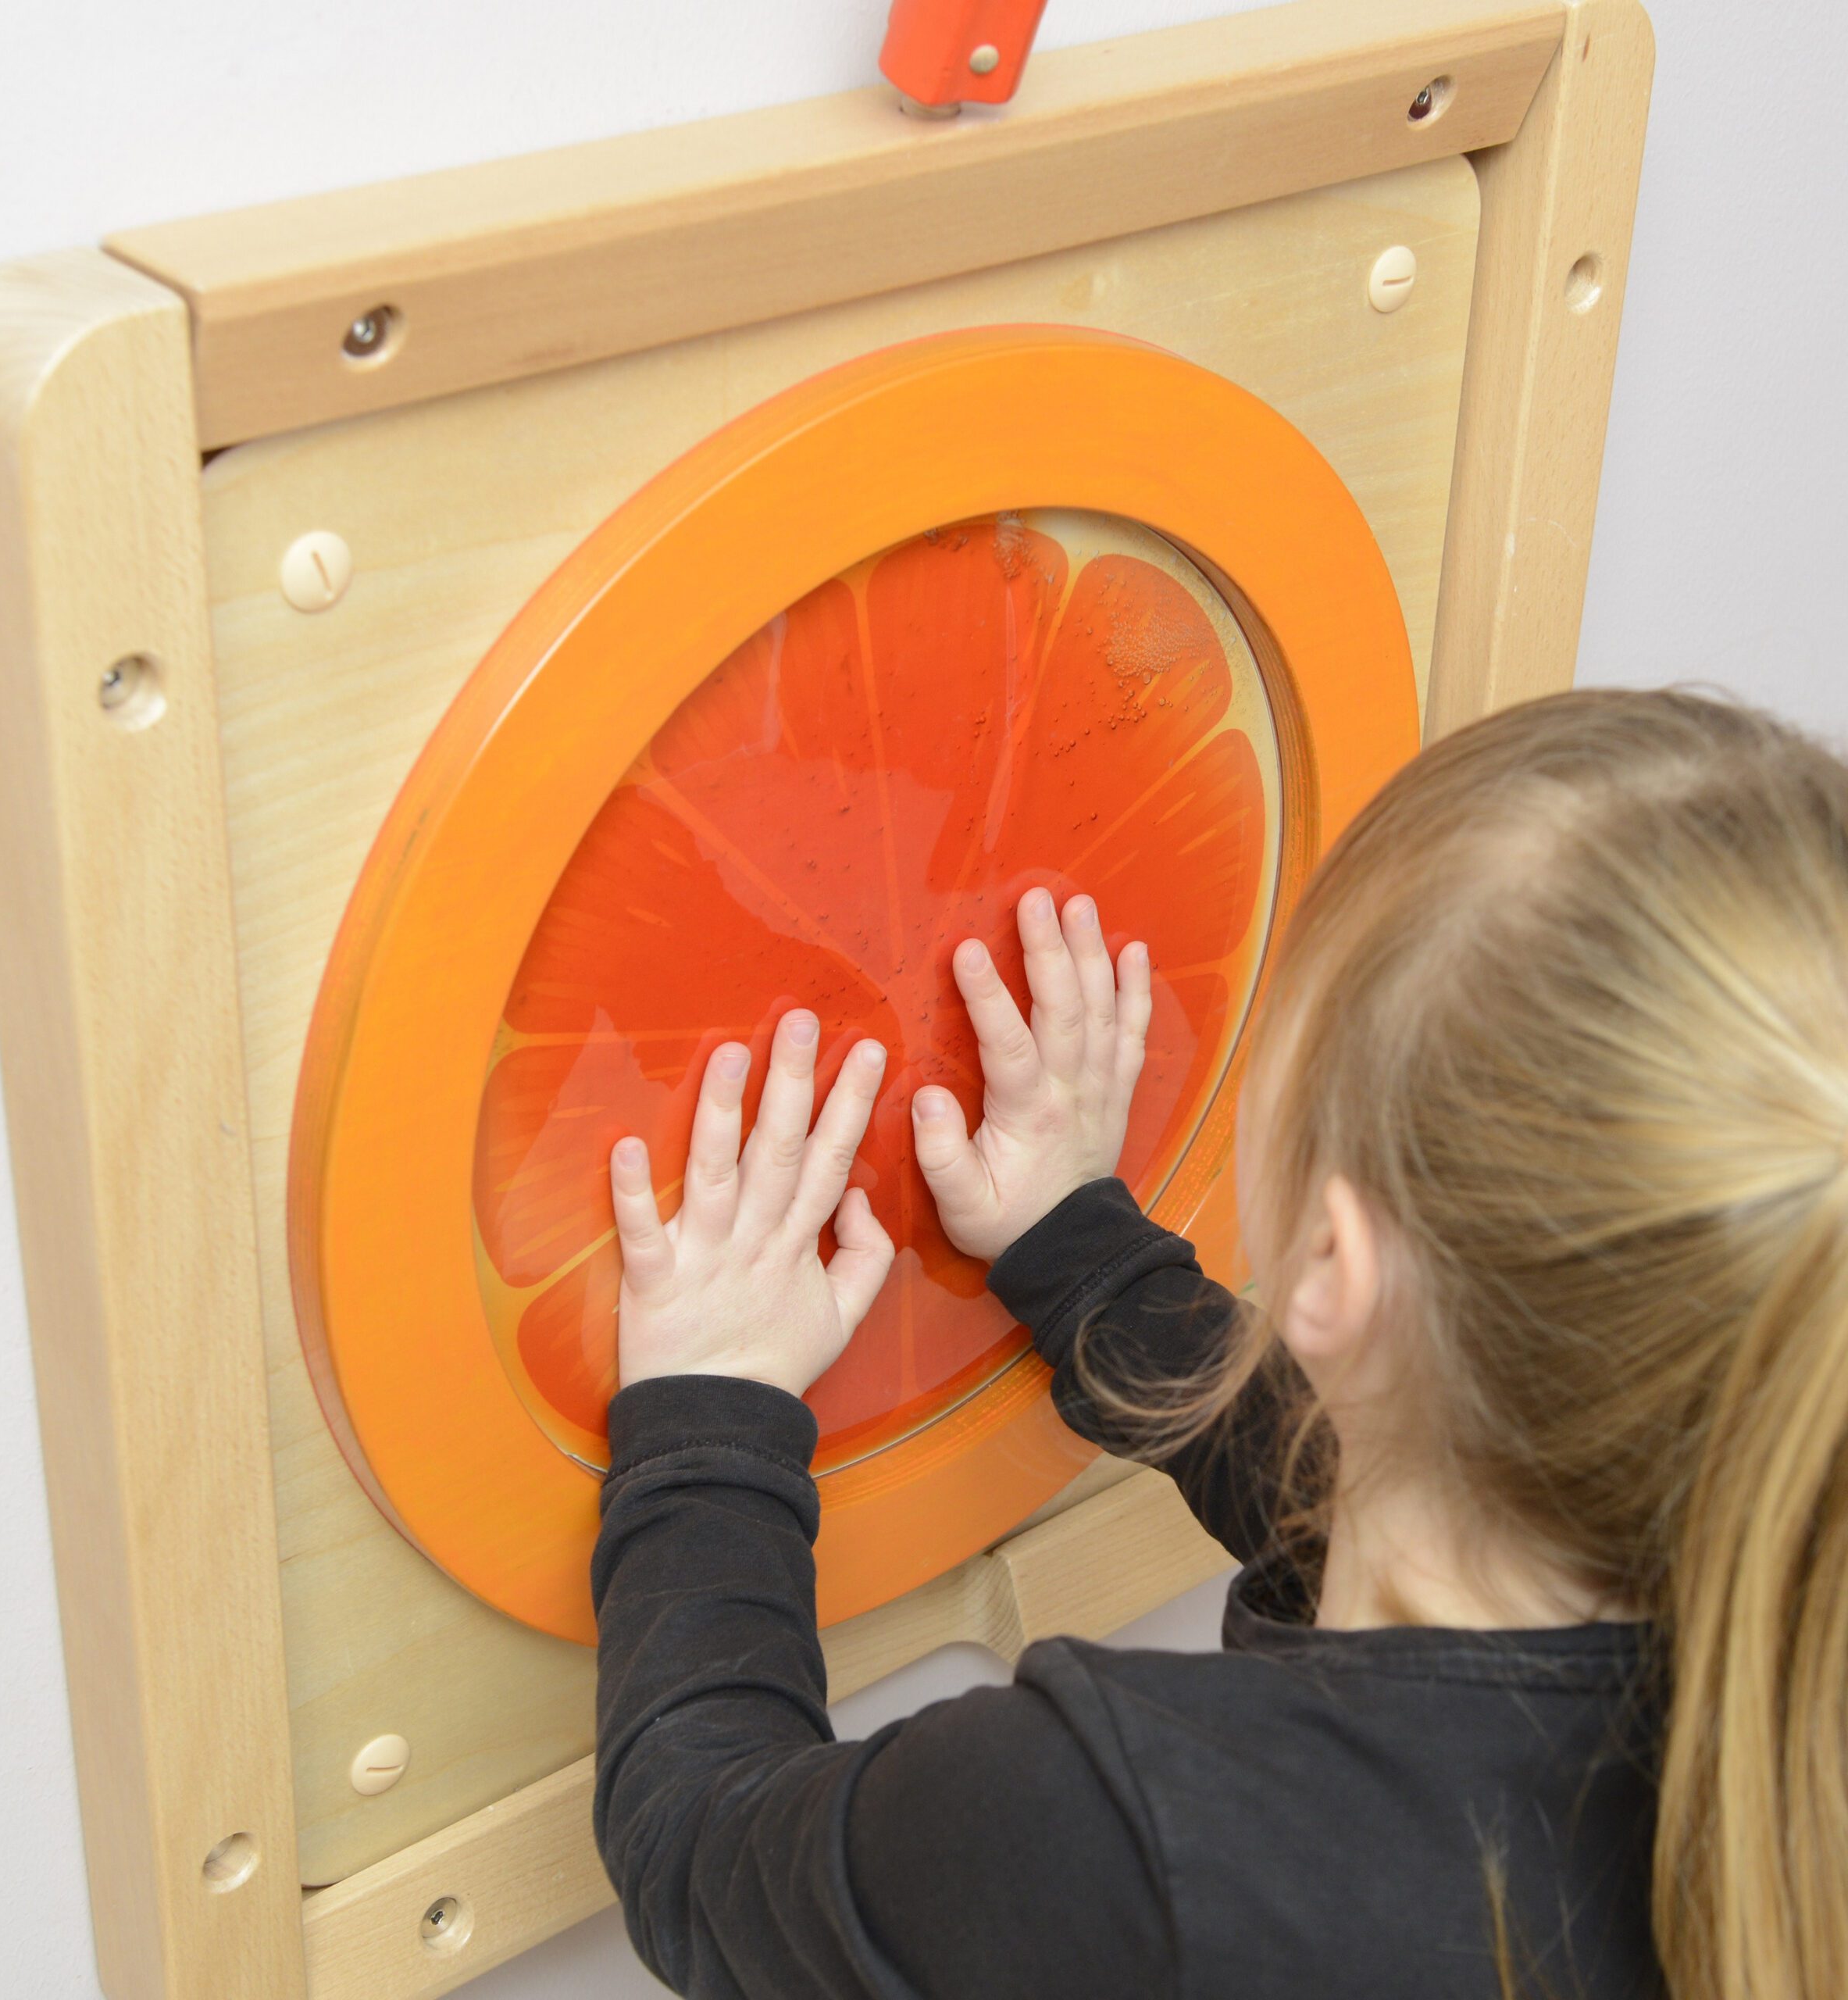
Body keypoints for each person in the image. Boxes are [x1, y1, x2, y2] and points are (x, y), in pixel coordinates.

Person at [591, 688, 1848, 1999]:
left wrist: (711, 1412)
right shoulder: (1780, 1656)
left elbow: (698, 1849)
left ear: (1334, 1267)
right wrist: (1084, 1258)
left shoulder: (1111, 1835)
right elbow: (1355, 1501)